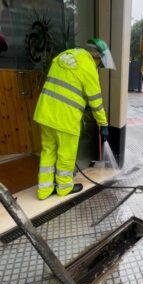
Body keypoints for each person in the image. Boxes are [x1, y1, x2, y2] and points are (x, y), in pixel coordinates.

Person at [34, 38, 115, 200]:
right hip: (65, 119)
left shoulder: (64, 56)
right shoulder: (88, 67)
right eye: (100, 62)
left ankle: (44, 190)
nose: (99, 65)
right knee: (66, 155)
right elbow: (96, 102)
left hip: (45, 113)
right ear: (96, 56)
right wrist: (103, 124)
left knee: (48, 151)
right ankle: (64, 188)